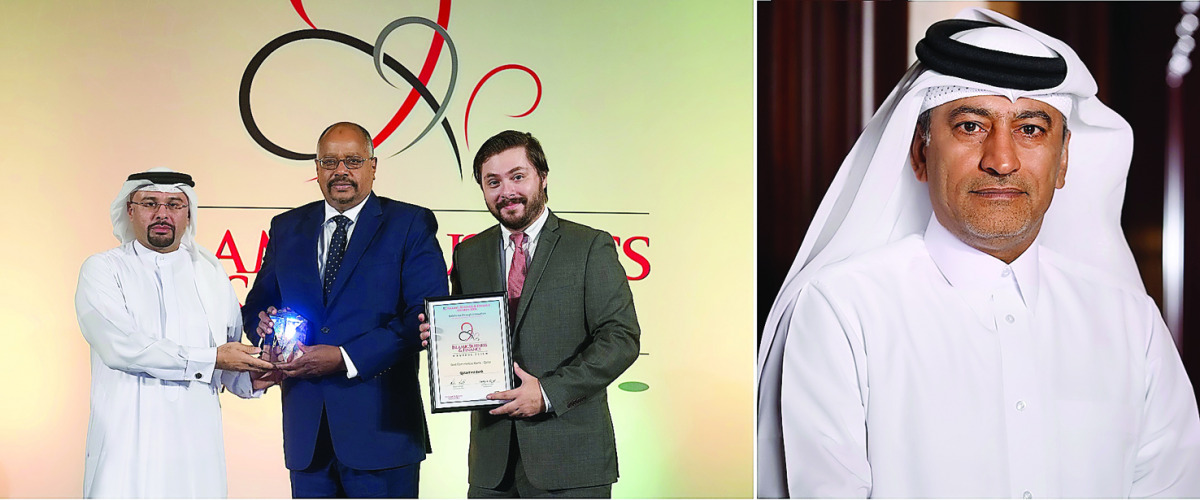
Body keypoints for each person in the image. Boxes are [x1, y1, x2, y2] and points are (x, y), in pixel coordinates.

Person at [757, 9, 1200, 498]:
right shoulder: (842, 309)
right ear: (921, 153)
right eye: (971, 126)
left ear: (1064, 161)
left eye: (1031, 129)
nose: (1002, 160)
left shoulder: (1129, 321)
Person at [421, 130, 640, 498]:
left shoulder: (589, 246)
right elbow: (470, 336)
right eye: (493, 182)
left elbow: (621, 338)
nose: (506, 191)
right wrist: (439, 339)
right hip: (492, 466)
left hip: (571, 460)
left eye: (517, 176)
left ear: (543, 177)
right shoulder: (469, 254)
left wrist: (548, 392)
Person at [242, 122, 448, 498]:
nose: (341, 171)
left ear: (373, 165)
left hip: (382, 434)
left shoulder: (409, 224)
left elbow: (422, 316)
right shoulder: (287, 227)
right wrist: (263, 329)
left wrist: (345, 357)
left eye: (352, 160)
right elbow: (258, 302)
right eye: (330, 161)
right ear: (317, 169)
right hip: (308, 436)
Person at [76, 168, 277, 498]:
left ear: (189, 212)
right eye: (150, 203)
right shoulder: (103, 269)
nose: (162, 214)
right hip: (127, 445)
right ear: (130, 209)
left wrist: (255, 377)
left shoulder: (211, 272)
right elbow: (120, 348)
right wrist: (211, 358)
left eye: (174, 204)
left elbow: (226, 359)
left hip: (196, 449)